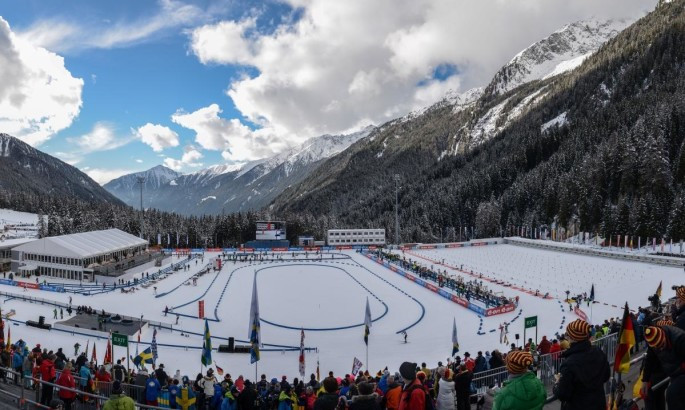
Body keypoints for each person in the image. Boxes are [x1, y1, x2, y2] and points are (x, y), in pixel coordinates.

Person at [552, 319, 610, 409]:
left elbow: (563, 394)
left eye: (568, 335)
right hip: (598, 404)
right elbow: (606, 375)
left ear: (573, 338)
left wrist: (557, 383)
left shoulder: (569, 363)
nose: (567, 337)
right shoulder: (598, 351)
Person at [640, 326, 685, 410]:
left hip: (682, 371)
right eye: (658, 347)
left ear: (663, 336)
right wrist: (645, 380)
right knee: (651, 391)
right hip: (673, 372)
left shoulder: (680, 338)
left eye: (662, 345)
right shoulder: (653, 343)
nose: (661, 348)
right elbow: (650, 359)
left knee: (672, 394)